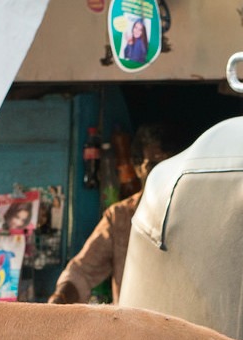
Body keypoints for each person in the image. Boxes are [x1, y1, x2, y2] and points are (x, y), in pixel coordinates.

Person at [48, 125, 177, 305]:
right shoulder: (120, 217)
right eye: (154, 166)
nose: (163, 174)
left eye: (169, 166)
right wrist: (59, 299)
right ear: (137, 167)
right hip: (131, 326)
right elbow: (82, 270)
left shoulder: (189, 213)